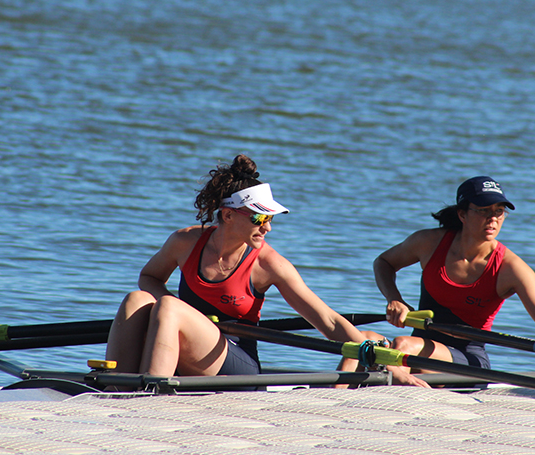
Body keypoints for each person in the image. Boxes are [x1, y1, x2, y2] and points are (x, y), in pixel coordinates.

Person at [105, 154, 427, 387]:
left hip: (239, 367)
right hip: (194, 349)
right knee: (137, 300)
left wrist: (384, 362)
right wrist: (172, 309)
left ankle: (149, 397)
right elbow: (149, 278)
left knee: (170, 309)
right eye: (260, 218)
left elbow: (327, 320)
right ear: (228, 215)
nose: (268, 227)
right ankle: (116, 388)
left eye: (271, 218)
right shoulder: (184, 242)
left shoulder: (268, 264)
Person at [347, 176, 535, 392]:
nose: (493, 218)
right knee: (362, 340)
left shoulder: (512, 269)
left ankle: (391, 383)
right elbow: (383, 262)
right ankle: (335, 394)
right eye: (483, 210)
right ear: (462, 214)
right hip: (424, 345)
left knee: (400, 345)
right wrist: (394, 299)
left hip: (470, 360)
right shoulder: (429, 242)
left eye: (500, 211)